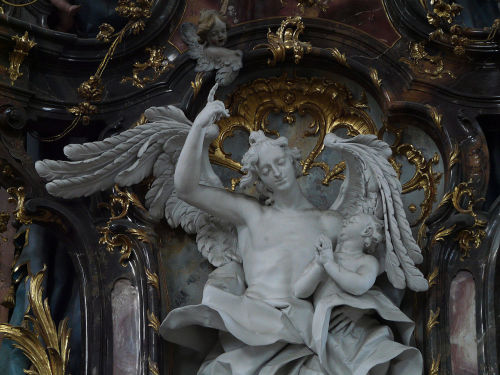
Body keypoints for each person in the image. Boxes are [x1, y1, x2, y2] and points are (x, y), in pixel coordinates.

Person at [160, 95, 423, 374]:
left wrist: (358, 308)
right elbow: (187, 189)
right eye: (266, 170)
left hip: (308, 328)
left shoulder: (331, 223)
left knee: (372, 352)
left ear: (294, 162)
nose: (276, 172)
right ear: (258, 178)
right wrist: (198, 128)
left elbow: (357, 273)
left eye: (280, 163)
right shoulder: (250, 214)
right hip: (255, 326)